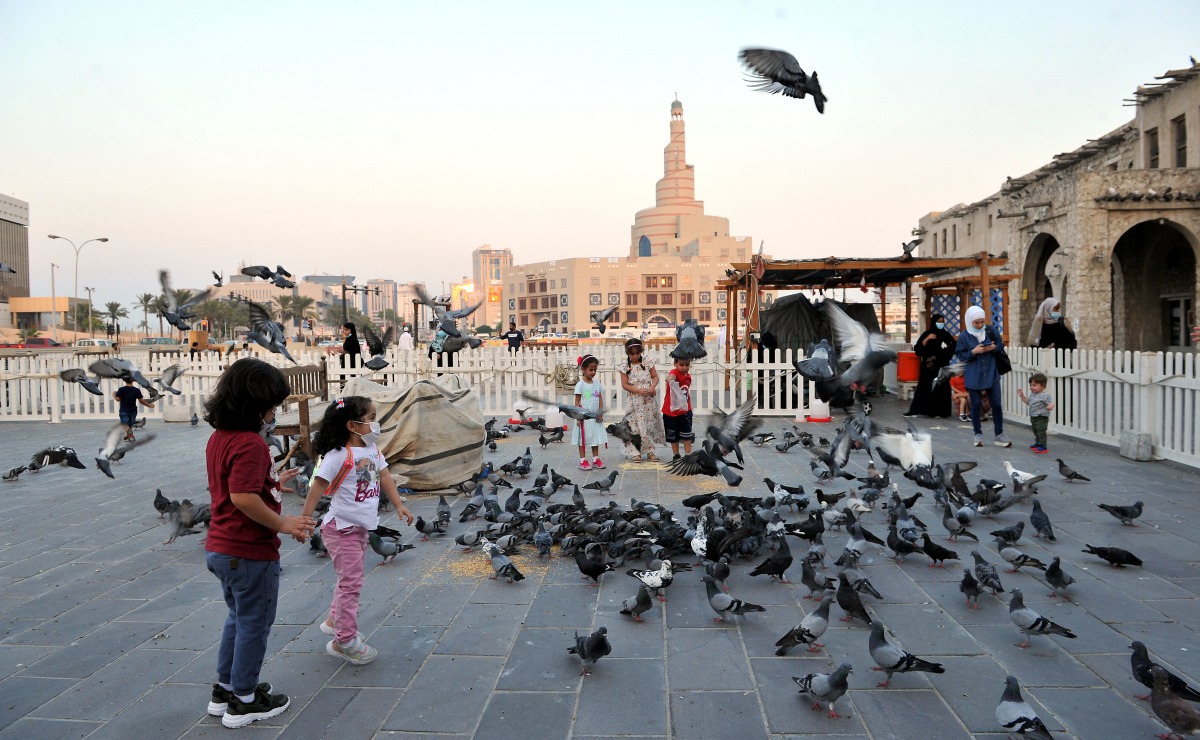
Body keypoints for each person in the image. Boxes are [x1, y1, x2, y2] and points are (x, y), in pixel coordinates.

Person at [202, 358, 314, 728]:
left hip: (221, 548)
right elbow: (243, 497)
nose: (274, 414)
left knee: (238, 618)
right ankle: (245, 701)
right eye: (272, 407)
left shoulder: (220, 438)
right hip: (248, 552)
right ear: (255, 406)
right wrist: (283, 522)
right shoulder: (250, 444)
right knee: (255, 623)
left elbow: (236, 486)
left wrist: (272, 484)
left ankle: (226, 689)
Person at [301, 396, 414, 665]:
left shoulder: (372, 450)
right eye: (371, 417)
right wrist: (304, 521)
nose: (376, 423)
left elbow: (384, 475)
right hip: (341, 530)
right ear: (352, 425)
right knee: (351, 583)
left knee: (348, 580)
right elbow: (317, 487)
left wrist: (398, 504)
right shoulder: (338, 455)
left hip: (359, 527)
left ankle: (335, 620)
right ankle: (345, 641)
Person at [954, 305, 1011, 448]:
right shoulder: (964, 337)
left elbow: (1000, 344)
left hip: (992, 373)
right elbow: (960, 355)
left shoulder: (990, 330)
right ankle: (977, 434)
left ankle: (999, 435)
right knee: (976, 405)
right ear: (969, 321)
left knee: (996, 404)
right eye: (976, 323)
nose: (980, 325)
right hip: (974, 375)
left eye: (982, 322)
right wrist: (973, 351)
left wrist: (994, 348)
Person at [618, 338, 665, 462]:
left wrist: (652, 387)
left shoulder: (647, 362)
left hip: (648, 400)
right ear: (627, 353)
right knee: (634, 426)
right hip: (634, 400)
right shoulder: (624, 367)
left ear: (641, 352)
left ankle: (650, 451)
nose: (635, 356)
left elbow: (655, 377)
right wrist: (638, 390)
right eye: (632, 354)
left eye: (637, 353)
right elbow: (624, 384)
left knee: (648, 424)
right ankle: (635, 452)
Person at [904, 313, 957, 418]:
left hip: (941, 366)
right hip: (928, 367)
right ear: (934, 322)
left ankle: (940, 412)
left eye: (942, 322)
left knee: (941, 388)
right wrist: (927, 338)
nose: (941, 324)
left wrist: (943, 352)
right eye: (939, 322)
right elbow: (918, 350)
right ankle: (917, 410)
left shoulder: (945, 335)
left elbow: (953, 347)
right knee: (924, 387)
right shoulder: (927, 334)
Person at [573, 354, 607, 470]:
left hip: (594, 416)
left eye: (595, 370)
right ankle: (582, 460)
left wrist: (600, 412)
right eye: (590, 369)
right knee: (582, 438)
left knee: (595, 437)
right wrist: (578, 416)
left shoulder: (597, 384)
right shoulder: (580, 385)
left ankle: (595, 458)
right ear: (583, 369)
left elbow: (600, 398)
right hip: (583, 417)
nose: (593, 372)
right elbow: (577, 401)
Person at [662, 357, 695, 460]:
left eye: (687, 365)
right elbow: (671, 376)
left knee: (687, 434)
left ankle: (688, 455)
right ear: (675, 364)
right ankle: (676, 455)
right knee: (673, 435)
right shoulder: (675, 372)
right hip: (671, 411)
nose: (684, 367)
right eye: (682, 365)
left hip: (685, 410)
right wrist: (670, 380)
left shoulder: (688, 376)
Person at [1017, 372, 1055, 454]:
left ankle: (1043, 446)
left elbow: (1051, 402)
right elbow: (1028, 402)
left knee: (1041, 431)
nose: (1032, 387)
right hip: (1033, 417)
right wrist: (1022, 396)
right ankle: (1038, 442)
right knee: (1035, 430)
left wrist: (1050, 406)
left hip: (1041, 417)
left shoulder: (1045, 395)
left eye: (1034, 385)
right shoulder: (1032, 395)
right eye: (1031, 385)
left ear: (1043, 386)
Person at [114, 376, 155, 442]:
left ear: (124, 380)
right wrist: (149, 405)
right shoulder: (136, 390)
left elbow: (117, 399)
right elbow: (141, 401)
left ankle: (129, 435)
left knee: (125, 423)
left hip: (124, 410)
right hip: (133, 410)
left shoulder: (121, 389)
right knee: (130, 424)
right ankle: (127, 436)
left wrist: (114, 394)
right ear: (133, 380)